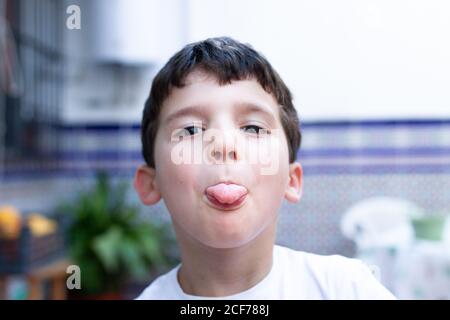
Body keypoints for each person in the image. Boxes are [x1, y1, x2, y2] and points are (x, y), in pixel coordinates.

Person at [134, 37, 395, 299]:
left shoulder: (346, 289)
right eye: (191, 130)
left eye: (253, 128)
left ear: (291, 181)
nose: (224, 145)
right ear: (150, 183)